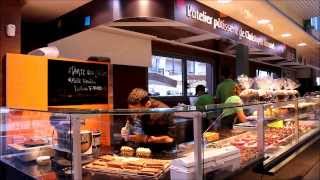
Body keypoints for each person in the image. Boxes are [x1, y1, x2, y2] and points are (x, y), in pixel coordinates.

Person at [121, 88, 175, 152]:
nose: (134, 113)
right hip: (137, 150)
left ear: (148, 104)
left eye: (138, 111)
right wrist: (126, 131)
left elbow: (170, 139)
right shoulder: (134, 108)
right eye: (131, 109)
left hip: (159, 151)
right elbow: (130, 127)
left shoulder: (164, 112)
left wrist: (146, 139)